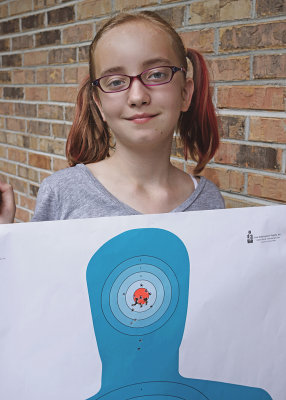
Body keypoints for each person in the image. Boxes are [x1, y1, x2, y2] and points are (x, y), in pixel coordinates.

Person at [1, 11, 224, 223]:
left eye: (157, 75)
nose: (137, 97)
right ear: (99, 104)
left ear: (185, 94)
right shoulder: (61, 193)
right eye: (116, 82)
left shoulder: (210, 202)